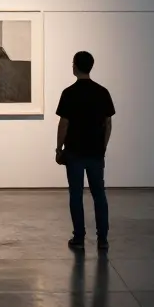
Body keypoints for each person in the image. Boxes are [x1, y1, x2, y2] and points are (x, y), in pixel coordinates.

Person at [55, 51, 115, 251]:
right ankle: (103, 239)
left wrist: (58, 148)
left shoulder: (69, 93)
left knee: (76, 195)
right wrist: (103, 146)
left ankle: (79, 238)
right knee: (99, 195)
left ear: (75, 66)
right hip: (96, 153)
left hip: (74, 152)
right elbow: (108, 123)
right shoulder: (102, 92)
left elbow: (64, 123)